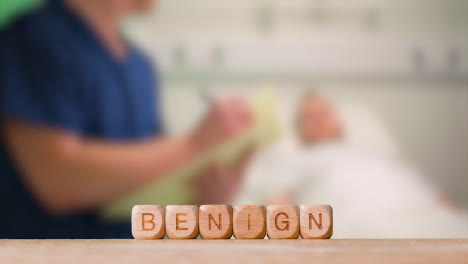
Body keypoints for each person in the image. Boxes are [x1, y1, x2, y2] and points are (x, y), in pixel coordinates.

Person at [0, 0, 252, 238]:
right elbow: (56, 178)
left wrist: (203, 201)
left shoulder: (139, 67)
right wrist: (193, 146)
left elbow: (150, 189)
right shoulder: (33, 40)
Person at [236, 92, 468, 238]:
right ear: (300, 131)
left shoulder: (380, 156)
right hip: (363, 228)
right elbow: (279, 208)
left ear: (339, 120)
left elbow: (440, 201)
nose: (318, 118)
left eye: (324, 112)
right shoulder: (296, 159)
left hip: (430, 219)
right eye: (308, 117)